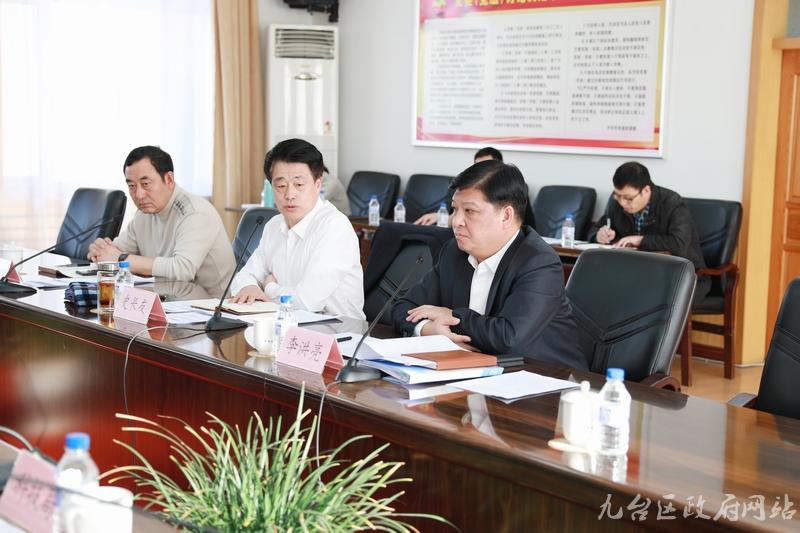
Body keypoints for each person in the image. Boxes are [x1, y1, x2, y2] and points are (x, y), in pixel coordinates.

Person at [391, 160, 588, 370]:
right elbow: (402, 308)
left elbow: (509, 337)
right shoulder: (453, 252)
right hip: (474, 372)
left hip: (546, 377)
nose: (456, 221)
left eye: (469, 211)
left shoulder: (538, 262)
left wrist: (452, 316)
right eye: (455, 209)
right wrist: (428, 329)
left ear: (506, 216)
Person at [229, 138, 365, 319]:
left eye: (299, 185)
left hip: (337, 330)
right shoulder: (274, 225)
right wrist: (250, 287)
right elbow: (244, 276)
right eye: (281, 186)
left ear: (318, 184)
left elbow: (306, 301)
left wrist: (269, 287)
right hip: (284, 325)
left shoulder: (335, 227)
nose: (289, 195)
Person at [87, 146, 235, 295]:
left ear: (169, 179)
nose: (139, 195)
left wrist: (120, 258)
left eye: (146, 184)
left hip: (210, 303)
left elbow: (183, 269)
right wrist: (100, 252)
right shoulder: (144, 214)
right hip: (169, 297)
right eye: (132, 186)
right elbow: (116, 250)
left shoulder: (195, 212)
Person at [587, 161, 709, 297]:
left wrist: (641, 240)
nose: (622, 203)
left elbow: (679, 244)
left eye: (628, 198)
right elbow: (595, 229)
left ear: (646, 190)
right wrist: (598, 235)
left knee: (633, 296)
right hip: (636, 275)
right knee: (596, 289)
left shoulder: (672, 203)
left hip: (681, 278)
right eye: (618, 196)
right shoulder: (617, 202)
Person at [413, 147, 535, 227]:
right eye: (477, 165)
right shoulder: (466, 188)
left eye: (486, 165)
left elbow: (527, 226)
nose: (481, 170)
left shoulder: (514, 190)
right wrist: (440, 217)